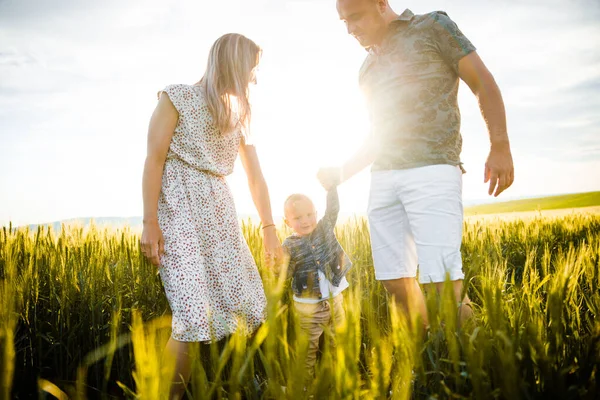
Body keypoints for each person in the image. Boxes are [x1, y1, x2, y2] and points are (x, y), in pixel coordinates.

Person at [318, 0, 515, 328]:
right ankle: (427, 363)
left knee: (443, 283)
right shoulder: (367, 68)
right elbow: (377, 136)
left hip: (433, 169)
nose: (350, 28)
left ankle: (481, 366)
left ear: (381, 5)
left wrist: (500, 145)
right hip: (383, 177)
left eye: (355, 17)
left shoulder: (433, 26)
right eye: (344, 22)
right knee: (395, 282)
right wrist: (342, 172)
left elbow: (482, 82)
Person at [140, 33, 282, 399]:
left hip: (219, 211)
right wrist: (150, 222)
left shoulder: (241, 115)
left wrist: (269, 229)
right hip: (179, 209)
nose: (254, 78)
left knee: (247, 306)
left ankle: (242, 387)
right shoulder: (176, 97)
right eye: (250, 70)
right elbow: (154, 160)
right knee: (191, 315)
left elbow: (256, 176)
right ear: (232, 64)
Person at [281, 187, 352, 376]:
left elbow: (333, 210)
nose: (305, 221)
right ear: (287, 222)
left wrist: (331, 188)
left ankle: (336, 380)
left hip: (335, 301)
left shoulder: (324, 229)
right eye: (297, 218)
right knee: (308, 350)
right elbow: (285, 274)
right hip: (308, 307)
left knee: (337, 342)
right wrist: (275, 266)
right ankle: (305, 388)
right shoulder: (289, 245)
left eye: (309, 214)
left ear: (316, 214)